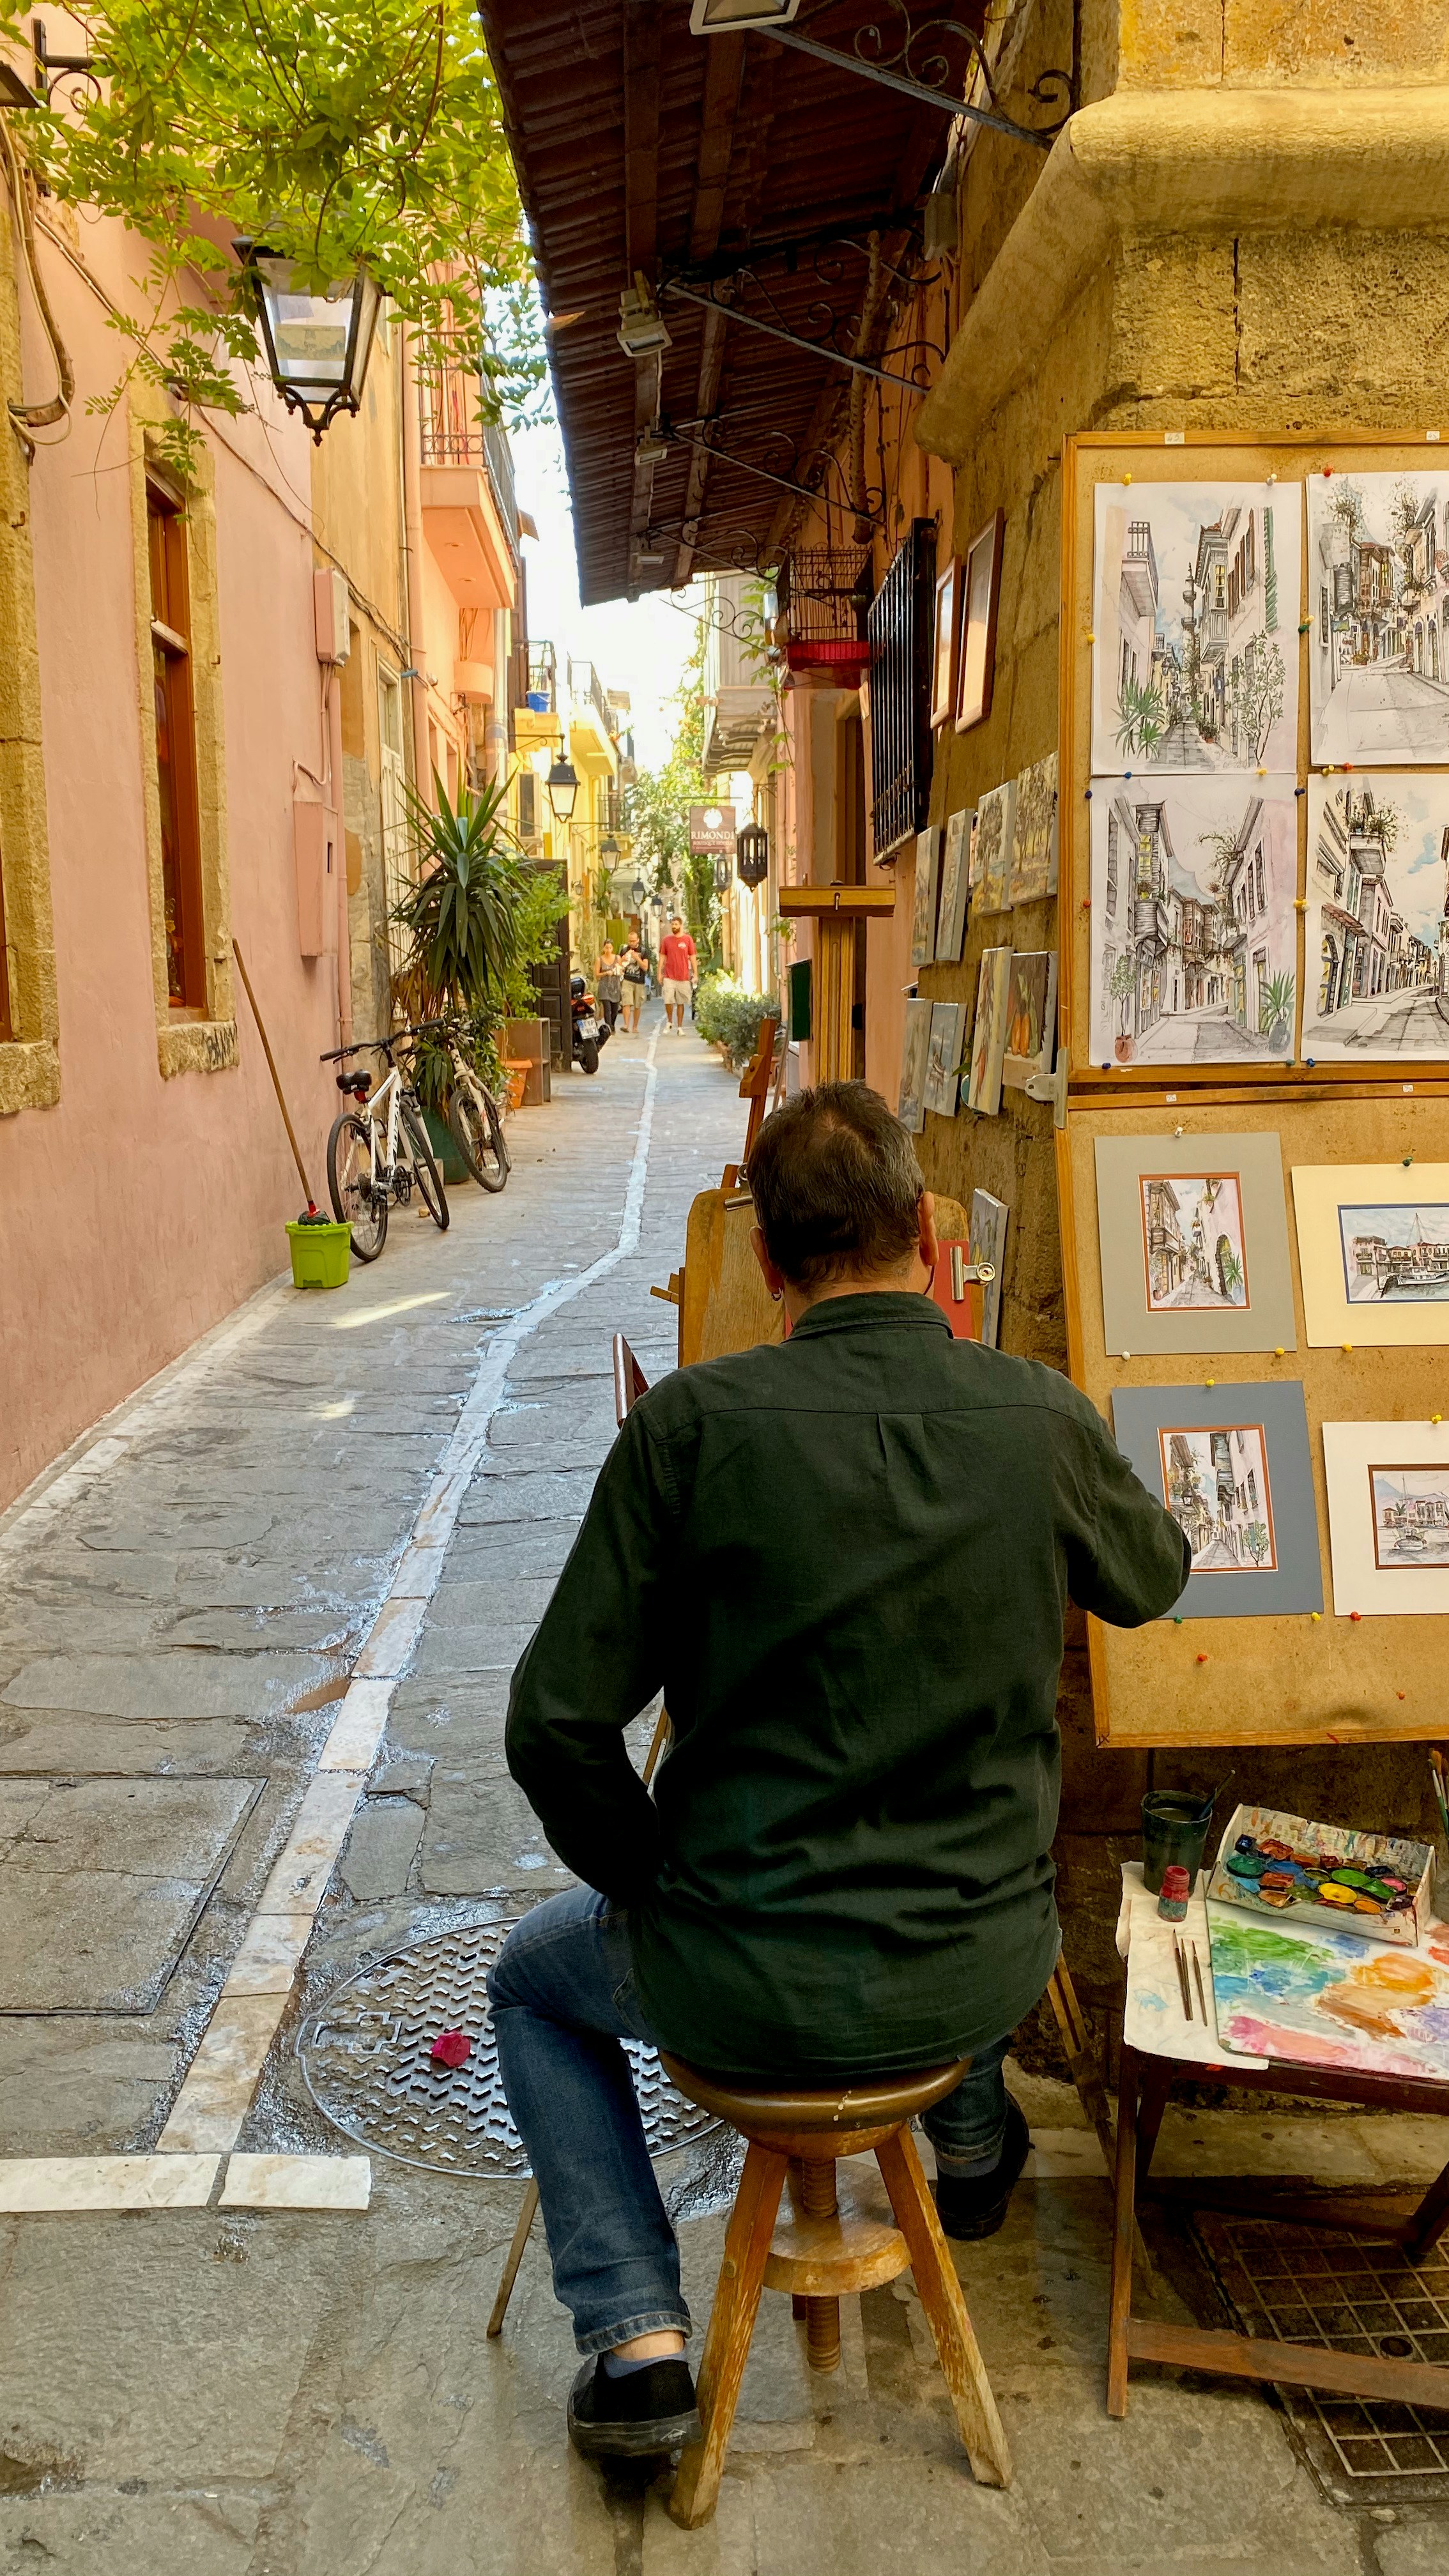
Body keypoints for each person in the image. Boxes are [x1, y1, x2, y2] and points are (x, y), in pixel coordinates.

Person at [489, 1082, 1190, 2464]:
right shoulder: (1038, 1419)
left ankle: (636, 2342)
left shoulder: (688, 1432)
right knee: (960, 1825)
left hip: (736, 1968)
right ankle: (976, 2142)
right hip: (974, 1959)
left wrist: (653, 1884)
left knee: (528, 1981)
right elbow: (1154, 1575)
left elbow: (551, 1726)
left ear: (764, 1263)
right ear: (927, 1234)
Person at [658, 912, 696, 1035]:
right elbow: (662, 957)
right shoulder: (667, 940)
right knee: (668, 1000)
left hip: (683, 976)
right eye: (672, 924)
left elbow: (693, 957)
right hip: (669, 976)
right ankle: (670, 1022)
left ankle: (680, 1027)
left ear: (681, 925)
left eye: (676, 924)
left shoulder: (688, 939)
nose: (674, 926)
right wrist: (660, 973)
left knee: (681, 1002)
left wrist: (695, 974)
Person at [620, 933, 648, 1035]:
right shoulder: (624, 950)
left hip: (639, 981)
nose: (632, 943)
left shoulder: (643, 951)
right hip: (627, 980)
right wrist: (621, 961)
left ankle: (635, 1027)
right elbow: (619, 964)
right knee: (626, 1002)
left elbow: (645, 967)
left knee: (637, 1005)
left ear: (638, 940)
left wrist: (637, 958)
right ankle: (626, 1025)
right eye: (630, 941)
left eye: (634, 941)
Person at [595, 940, 622, 1035]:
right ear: (603, 948)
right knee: (607, 1009)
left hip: (615, 987)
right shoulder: (600, 959)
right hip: (604, 987)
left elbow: (622, 971)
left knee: (615, 1010)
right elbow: (597, 975)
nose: (608, 950)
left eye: (610, 948)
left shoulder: (617, 958)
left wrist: (617, 971)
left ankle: (612, 1025)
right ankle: (609, 1028)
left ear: (613, 948)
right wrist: (606, 973)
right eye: (606, 948)